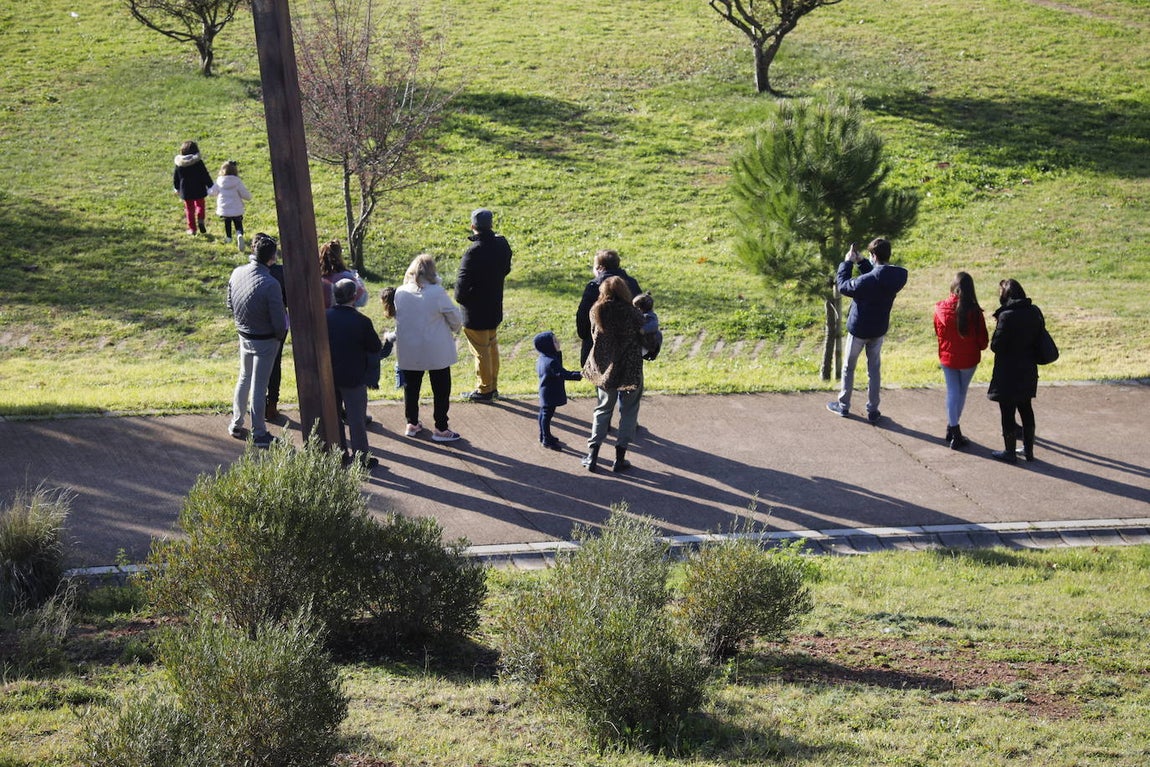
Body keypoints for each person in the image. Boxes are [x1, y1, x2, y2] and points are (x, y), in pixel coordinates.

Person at [826, 238, 908, 423]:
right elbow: (878, 277)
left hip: (859, 330)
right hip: (878, 330)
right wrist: (862, 262)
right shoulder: (899, 276)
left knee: (849, 367)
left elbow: (844, 285)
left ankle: (844, 405)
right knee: (874, 370)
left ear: (873, 255)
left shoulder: (866, 281)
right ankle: (873, 409)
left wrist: (847, 262)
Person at [226, 233, 287, 448]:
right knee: (259, 386)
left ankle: (236, 422)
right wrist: (279, 336)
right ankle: (259, 431)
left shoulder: (237, 272)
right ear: (272, 257)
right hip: (265, 340)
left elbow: (230, 303)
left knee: (244, 378)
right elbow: (280, 322)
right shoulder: (271, 284)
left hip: (244, 334)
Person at [394, 254, 463, 442]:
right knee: (441, 390)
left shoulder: (400, 292)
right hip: (436, 349)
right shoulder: (437, 292)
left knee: (411, 388)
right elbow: (455, 318)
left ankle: (412, 422)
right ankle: (441, 428)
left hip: (409, 348)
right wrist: (454, 328)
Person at [581, 276, 645, 473]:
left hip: (604, 368)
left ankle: (592, 455)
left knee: (602, 409)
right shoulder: (633, 313)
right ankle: (620, 458)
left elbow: (592, 335)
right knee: (629, 411)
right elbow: (643, 332)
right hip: (630, 367)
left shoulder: (596, 310)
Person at [454, 208, 512, 402]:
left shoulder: (473, 252)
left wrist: (465, 299)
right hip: (494, 307)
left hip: (475, 312)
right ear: (491, 224)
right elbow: (506, 269)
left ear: (472, 227)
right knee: (491, 346)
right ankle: (493, 386)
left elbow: (460, 290)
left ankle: (484, 390)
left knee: (480, 351)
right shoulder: (502, 244)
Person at [326, 279, 383, 470]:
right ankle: (361, 457)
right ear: (354, 296)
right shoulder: (362, 322)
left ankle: (340, 452)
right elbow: (375, 347)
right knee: (356, 419)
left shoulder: (325, 317)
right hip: (354, 377)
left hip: (330, 376)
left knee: (334, 417)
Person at [987, 278, 1046, 463]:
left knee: (1007, 411)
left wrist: (998, 325)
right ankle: (1028, 451)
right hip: (1028, 368)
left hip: (1008, 372)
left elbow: (996, 346)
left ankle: (1010, 451)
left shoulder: (1007, 316)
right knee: (1026, 409)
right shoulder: (1034, 311)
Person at [933, 272, 988, 449]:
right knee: (961, 392)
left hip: (947, 357)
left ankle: (953, 428)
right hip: (969, 359)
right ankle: (953, 428)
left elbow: (938, 332)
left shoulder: (940, 308)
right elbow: (983, 342)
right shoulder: (975, 311)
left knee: (952, 392)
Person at [576, 249, 641, 366]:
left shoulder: (594, 286)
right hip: (628, 345)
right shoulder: (631, 283)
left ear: (599, 267)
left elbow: (583, 315)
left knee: (603, 379)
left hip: (600, 344)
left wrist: (585, 335)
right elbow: (641, 309)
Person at [534, 331, 583, 450]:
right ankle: (546, 439)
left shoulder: (543, 358)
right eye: (555, 341)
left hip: (545, 392)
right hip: (550, 393)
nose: (558, 342)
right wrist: (580, 374)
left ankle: (544, 435)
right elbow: (563, 374)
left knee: (543, 414)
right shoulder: (551, 362)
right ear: (548, 346)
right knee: (546, 415)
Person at [172, 140, 215, 236]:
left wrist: (176, 188)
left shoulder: (179, 164)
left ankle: (192, 229)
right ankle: (200, 220)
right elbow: (205, 174)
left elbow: (176, 177)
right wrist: (210, 185)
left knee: (189, 209)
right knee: (200, 205)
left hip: (186, 191)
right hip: (199, 188)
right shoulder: (198, 162)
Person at [210, 160, 252, 252]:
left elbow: (213, 192)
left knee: (227, 223)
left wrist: (208, 191)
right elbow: (244, 193)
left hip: (224, 209)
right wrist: (249, 197)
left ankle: (228, 237)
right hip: (236, 208)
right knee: (238, 223)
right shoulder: (237, 182)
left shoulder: (219, 181)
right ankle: (239, 234)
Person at [318, 240, 367, 309]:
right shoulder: (347, 277)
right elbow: (362, 300)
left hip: (323, 318)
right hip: (346, 317)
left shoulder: (317, 279)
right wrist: (358, 279)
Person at [633, 292, 662, 361]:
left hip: (649, 344)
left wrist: (643, 329)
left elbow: (654, 325)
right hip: (645, 343)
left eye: (635, 308)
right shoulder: (643, 315)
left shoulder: (649, 316)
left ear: (640, 308)